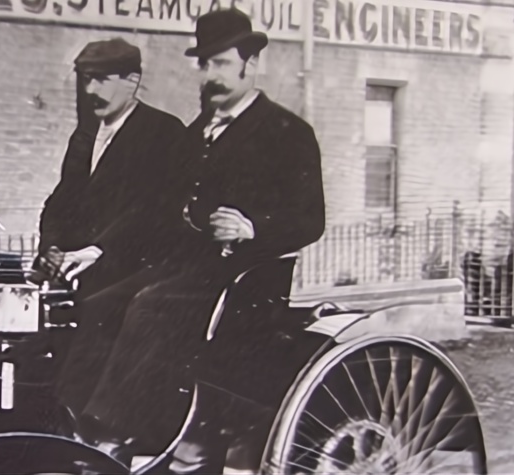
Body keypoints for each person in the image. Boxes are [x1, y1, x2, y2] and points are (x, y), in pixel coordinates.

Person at [69, 8, 327, 469]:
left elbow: (311, 220)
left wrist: (254, 227)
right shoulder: (195, 133)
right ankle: (91, 428)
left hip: (245, 278)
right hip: (186, 268)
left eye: (222, 64)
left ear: (251, 64)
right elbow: (154, 209)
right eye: (205, 66)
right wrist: (99, 248)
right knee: (100, 301)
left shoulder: (287, 133)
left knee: (152, 305)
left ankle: (115, 434)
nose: (211, 77)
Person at [32, 38, 188, 412]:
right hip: (80, 269)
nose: (90, 91)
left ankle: (80, 430)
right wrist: (50, 246)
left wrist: (98, 249)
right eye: (86, 80)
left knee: (96, 328)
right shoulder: (84, 135)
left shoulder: (163, 132)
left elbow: (154, 210)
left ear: (132, 80)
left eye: (102, 80)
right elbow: (61, 200)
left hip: (134, 269)